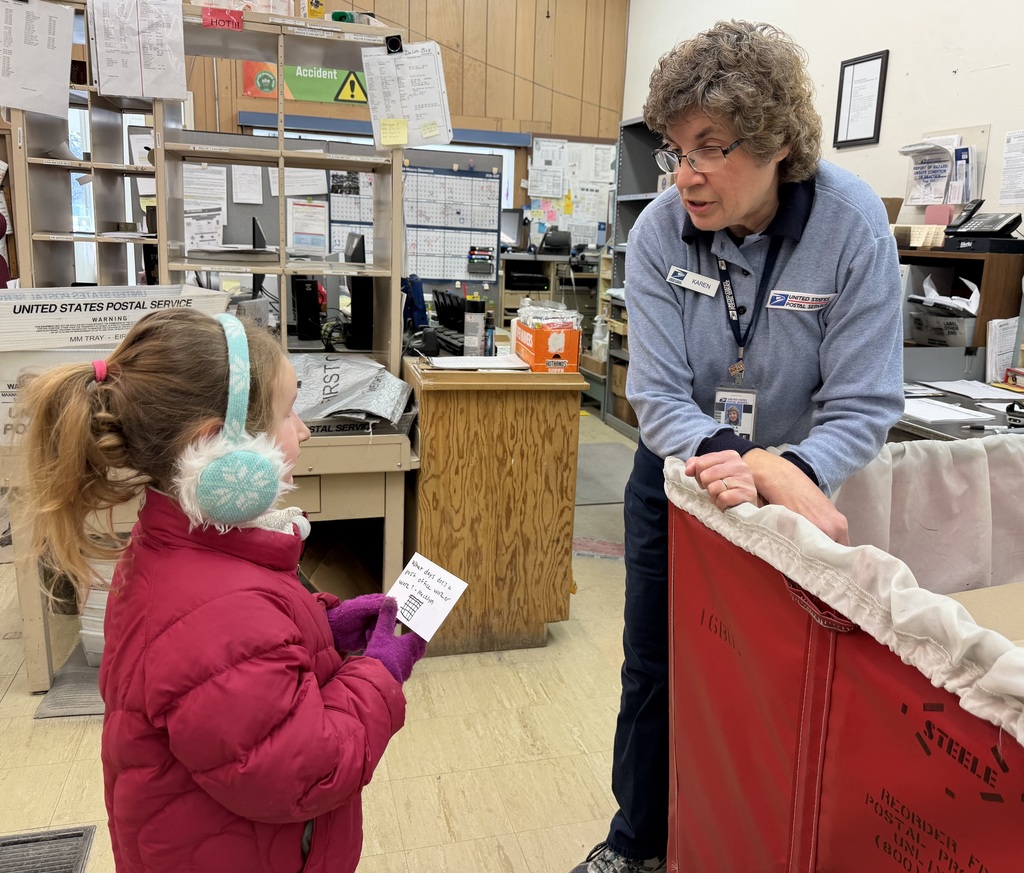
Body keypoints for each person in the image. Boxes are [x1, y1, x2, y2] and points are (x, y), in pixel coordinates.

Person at [572, 20, 903, 873]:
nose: (685, 174)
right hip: (678, 477)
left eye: (711, 147)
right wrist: (731, 457)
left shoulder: (852, 224)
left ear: (777, 142)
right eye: (675, 149)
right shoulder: (656, 232)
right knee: (654, 663)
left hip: (798, 482)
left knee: (775, 677)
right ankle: (634, 841)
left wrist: (779, 469)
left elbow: (865, 399)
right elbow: (654, 390)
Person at [17, 309, 426, 873]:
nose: (303, 430)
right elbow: (308, 772)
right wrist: (376, 674)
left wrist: (319, 629)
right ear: (216, 444)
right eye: (287, 414)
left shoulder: (186, 550)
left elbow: (239, 672)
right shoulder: (222, 608)